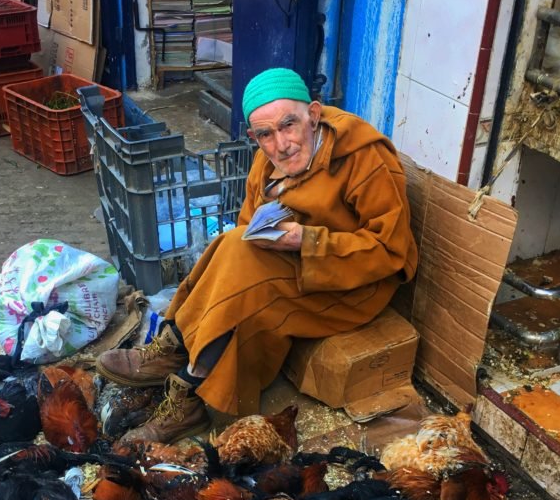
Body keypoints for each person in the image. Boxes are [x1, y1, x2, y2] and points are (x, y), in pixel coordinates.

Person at [97, 67, 419, 442]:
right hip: (293, 265)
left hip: (353, 283)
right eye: (266, 134)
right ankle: (177, 348)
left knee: (244, 287)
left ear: (313, 115)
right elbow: (247, 229)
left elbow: (391, 252)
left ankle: (187, 387)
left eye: (289, 125)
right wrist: (273, 240)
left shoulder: (365, 158)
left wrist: (308, 241)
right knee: (233, 248)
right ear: (254, 137)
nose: (281, 144)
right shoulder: (266, 164)